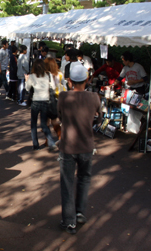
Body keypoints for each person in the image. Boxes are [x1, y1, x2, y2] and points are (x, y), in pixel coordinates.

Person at [57, 64, 102, 234]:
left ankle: (69, 221)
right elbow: (99, 119)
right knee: (84, 179)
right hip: (87, 146)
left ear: (69, 81)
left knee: (67, 183)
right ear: (87, 80)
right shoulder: (94, 97)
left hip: (68, 146)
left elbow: (59, 116)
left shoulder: (63, 97)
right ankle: (80, 213)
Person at [25, 59, 58, 152]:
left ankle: (35, 145)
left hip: (35, 101)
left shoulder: (32, 76)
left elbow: (27, 89)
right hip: (46, 101)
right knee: (44, 124)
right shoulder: (48, 75)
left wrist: (26, 80)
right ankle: (51, 143)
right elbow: (53, 87)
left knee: (33, 124)